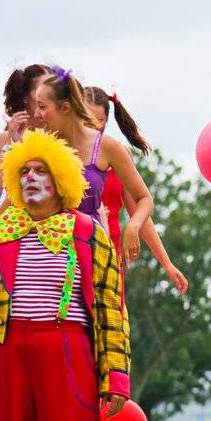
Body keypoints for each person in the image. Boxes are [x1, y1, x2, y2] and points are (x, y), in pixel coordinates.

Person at [0, 129, 129, 421]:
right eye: (23, 171)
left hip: (67, 347)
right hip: (9, 350)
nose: (30, 177)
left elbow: (110, 310)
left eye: (41, 170)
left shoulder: (88, 233)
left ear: (61, 179)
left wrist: (116, 378)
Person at [34, 68, 152, 265]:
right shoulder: (39, 146)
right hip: (46, 256)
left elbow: (144, 199)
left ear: (65, 108)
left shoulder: (107, 147)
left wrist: (133, 226)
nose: (37, 114)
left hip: (92, 254)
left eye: (42, 106)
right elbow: (14, 202)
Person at [85, 86, 188, 295]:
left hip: (109, 257)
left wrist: (166, 263)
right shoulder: (65, 152)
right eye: (87, 120)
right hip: (72, 252)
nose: (94, 128)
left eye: (100, 122)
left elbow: (140, 208)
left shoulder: (117, 154)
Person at [0, 63, 47, 212]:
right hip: (13, 230)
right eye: (43, 90)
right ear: (26, 97)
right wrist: (11, 146)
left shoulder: (65, 137)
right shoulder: (3, 140)